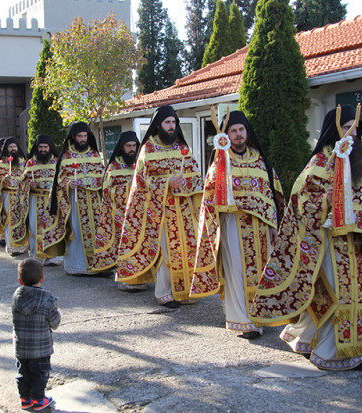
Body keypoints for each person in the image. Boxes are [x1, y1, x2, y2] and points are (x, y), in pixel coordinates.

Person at [250, 105, 362, 372]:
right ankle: (333, 354)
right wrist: (327, 201)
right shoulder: (318, 164)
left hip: (354, 243)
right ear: (335, 130)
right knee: (335, 296)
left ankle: (311, 339)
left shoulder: (359, 167)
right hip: (326, 244)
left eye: (356, 129)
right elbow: (301, 203)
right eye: (347, 128)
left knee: (357, 297)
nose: (353, 135)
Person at [190, 110, 284, 339]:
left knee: (260, 273)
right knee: (236, 272)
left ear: (246, 132)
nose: (238, 134)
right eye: (233, 131)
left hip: (259, 228)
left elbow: (273, 193)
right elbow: (210, 195)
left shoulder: (259, 159)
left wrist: (273, 225)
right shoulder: (221, 160)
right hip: (232, 225)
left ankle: (258, 315)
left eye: (241, 129)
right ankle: (242, 320)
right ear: (227, 135)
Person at [116, 106, 204, 308]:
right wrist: (167, 185)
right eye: (168, 123)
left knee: (186, 250)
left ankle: (183, 291)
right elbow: (141, 183)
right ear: (159, 125)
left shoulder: (182, 147)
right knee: (166, 251)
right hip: (159, 211)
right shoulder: (148, 149)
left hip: (183, 210)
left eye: (174, 122)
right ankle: (164, 294)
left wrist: (185, 185)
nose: (172, 126)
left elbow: (194, 175)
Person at [46, 122, 106, 275]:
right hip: (74, 201)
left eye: (85, 136)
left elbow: (101, 176)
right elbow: (59, 179)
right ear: (73, 137)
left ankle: (97, 266)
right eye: (80, 136)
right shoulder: (66, 156)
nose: (83, 139)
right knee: (77, 233)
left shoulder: (93, 154)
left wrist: (85, 182)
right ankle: (76, 267)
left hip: (94, 201)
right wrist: (68, 183)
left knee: (96, 232)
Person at [92, 131, 142, 290]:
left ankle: (141, 278)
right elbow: (108, 191)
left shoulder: (142, 163)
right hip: (121, 214)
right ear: (122, 147)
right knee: (126, 246)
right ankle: (126, 280)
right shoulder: (113, 167)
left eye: (134, 146)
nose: (132, 149)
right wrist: (130, 188)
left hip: (141, 214)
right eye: (129, 146)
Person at [12, 258, 60, 411]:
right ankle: (39, 400)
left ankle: (25, 399)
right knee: (39, 374)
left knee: (23, 373)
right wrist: (58, 313)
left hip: (21, 346)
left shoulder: (16, 296)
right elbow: (54, 323)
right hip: (40, 347)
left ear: (20, 280)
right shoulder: (47, 298)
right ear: (42, 278)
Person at [0, 137, 29, 254]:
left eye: (14, 147)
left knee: (22, 219)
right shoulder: (1, 164)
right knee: (9, 220)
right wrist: (3, 179)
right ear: (6, 149)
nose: (13, 149)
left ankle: (23, 245)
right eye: (10, 147)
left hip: (21, 196)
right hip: (7, 196)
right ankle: (12, 246)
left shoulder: (24, 163)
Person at [22, 135, 63, 265]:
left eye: (46, 147)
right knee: (35, 229)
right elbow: (22, 182)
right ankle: (37, 255)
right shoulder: (30, 163)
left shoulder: (57, 161)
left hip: (52, 200)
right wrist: (29, 185)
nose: (43, 149)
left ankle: (53, 256)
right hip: (36, 199)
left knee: (52, 227)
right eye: (41, 147)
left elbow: (62, 179)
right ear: (37, 148)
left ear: (50, 147)